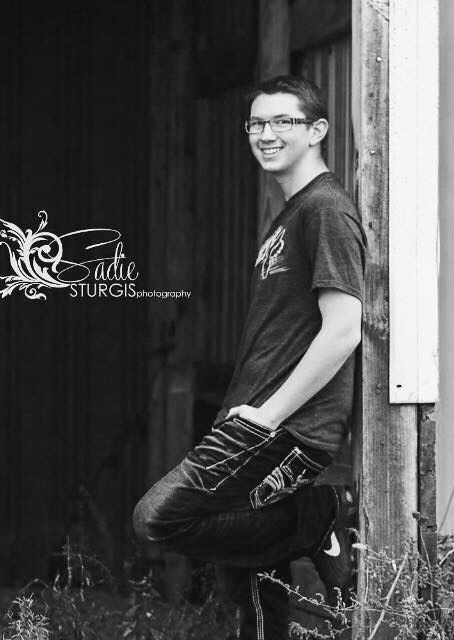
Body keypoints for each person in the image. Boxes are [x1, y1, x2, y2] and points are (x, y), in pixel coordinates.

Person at [133, 75, 366, 640]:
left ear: (317, 130)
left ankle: (316, 519)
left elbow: (343, 330)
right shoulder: (289, 213)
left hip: (281, 428)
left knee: (157, 519)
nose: (266, 134)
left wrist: (268, 416)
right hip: (252, 416)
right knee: (253, 595)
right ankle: (304, 530)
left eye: (283, 121)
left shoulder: (325, 211)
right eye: (257, 123)